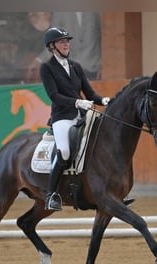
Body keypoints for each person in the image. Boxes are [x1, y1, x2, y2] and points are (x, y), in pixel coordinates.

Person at [40, 27, 110, 211]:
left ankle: (110, 191)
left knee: (102, 140)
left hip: (82, 115)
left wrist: (104, 100)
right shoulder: (47, 68)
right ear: (52, 46)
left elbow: (89, 92)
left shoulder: (76, 66)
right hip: (62, 117)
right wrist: (78, 103)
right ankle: (51, 194)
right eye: (62, 41)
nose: (66, 44)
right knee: (63, 151)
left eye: (67, 41)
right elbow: (54, 96)